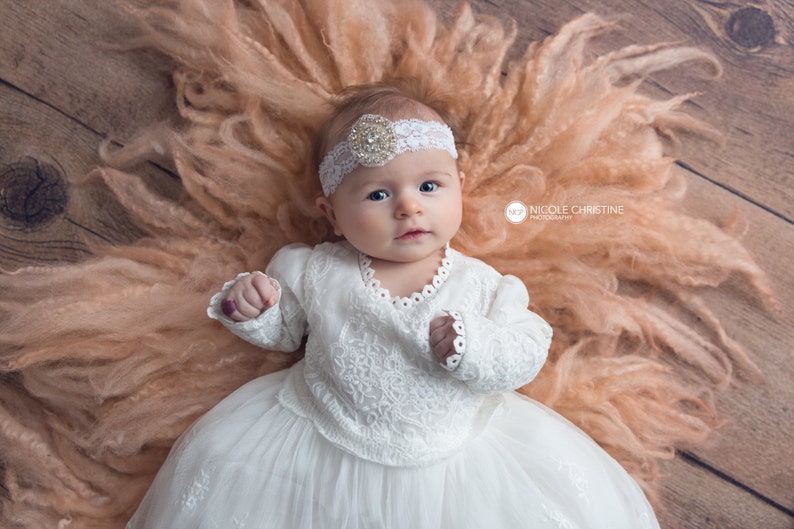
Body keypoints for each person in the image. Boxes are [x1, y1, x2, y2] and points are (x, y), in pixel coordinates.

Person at [126, 82, 660, 529]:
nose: (409, 206)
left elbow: (525, 351)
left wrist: (475, 347)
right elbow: (287, 333)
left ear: (459, 190)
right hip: (314, 445)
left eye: (430, 185)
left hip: (457, 465)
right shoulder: (314, 269)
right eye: (378, 194)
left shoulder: (482, 285)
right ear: (331, 214)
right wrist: (256, 308)